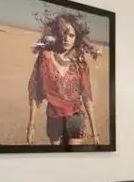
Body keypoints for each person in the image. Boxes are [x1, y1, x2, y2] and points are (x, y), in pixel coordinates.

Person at [27, 13, 100, 145]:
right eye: (64, 33)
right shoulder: (45, 58)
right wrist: (31, 126)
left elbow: (86, 96)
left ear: (76, 38)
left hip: (75, 117)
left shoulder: (80, 62)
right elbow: (36, 93)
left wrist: (95, 133)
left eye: (71, 35)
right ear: (57, 33)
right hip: (53, 117)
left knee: (72, 155)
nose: (67, 38)